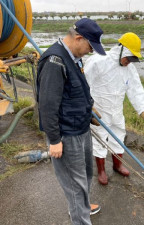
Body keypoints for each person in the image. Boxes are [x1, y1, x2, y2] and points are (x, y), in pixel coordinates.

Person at [36, 18, 106, 225]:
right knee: (75, 185)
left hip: (81, 128)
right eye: (90, 47)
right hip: (66, 135)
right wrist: (55, 139)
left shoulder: (73, 57)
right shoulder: (54, 61)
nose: (90, 51)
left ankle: (82, 207)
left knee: (85, 175)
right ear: (78, 38)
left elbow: (76, 92)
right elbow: (47, 105)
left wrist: (89, 113)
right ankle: (80, 218)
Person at [85, 32, 144, 185]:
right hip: (99, 110)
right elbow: (83, 83)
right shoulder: (99, 61)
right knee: (99, 138)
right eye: (128, 58)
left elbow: (135, 89)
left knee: (119, 135)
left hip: (117, 110)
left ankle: (117, 165)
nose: (129, 62)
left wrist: (143, 110)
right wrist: (87, 107)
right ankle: (102, 170)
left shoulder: (129, 69)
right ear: (121, 50)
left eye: (132, 60)